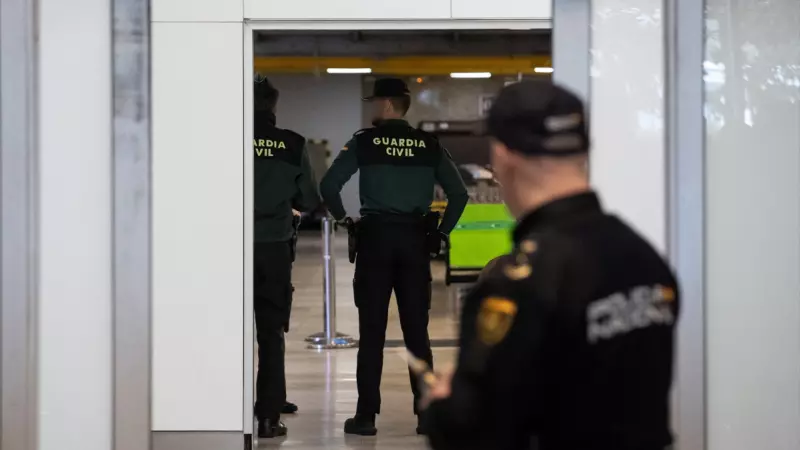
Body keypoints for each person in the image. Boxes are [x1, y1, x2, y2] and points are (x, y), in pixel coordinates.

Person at [422, 80, 680, 450]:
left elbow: (476, 433)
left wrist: (443, 405)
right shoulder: (643, 258)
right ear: (584, 149)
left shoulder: (518, 282)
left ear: (503, 155)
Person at [319, 77, 469, 436]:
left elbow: (328, 185)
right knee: (417, 332)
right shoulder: (428, 144)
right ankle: (425, 413)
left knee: (372, 333)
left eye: (375, 102)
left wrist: (344, 220)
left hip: (375, 241)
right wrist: (440, 232)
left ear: (386, 104)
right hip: (415, 242)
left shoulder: (364, 142)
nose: (372, 108)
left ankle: (366, 417)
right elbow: (459, 194)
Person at [252, 76, 320, 438]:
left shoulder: (224, 136)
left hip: (229, 250)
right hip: (274, 247)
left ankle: (220, 405)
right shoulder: (291, 144)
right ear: (273, 107)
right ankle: (267, 416)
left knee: (223, 330)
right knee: (270, 332)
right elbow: (308, 199)